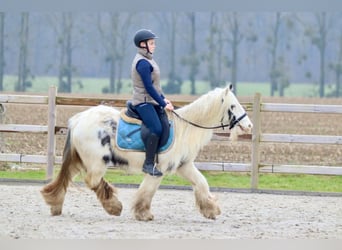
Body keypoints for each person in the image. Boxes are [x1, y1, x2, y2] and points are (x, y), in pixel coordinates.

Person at [130, 29, 174, 177]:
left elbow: (155, 86)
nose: (154, 45)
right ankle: (148, 164)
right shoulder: (142, 62)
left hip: (152, 100)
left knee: (165, 125)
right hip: (142, 101)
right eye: (151, 43)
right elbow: (148, 87)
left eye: (154, 43)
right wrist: (162, 103)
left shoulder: (149, 59)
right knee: (156, 128)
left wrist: (163, 98)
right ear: (143, 45)